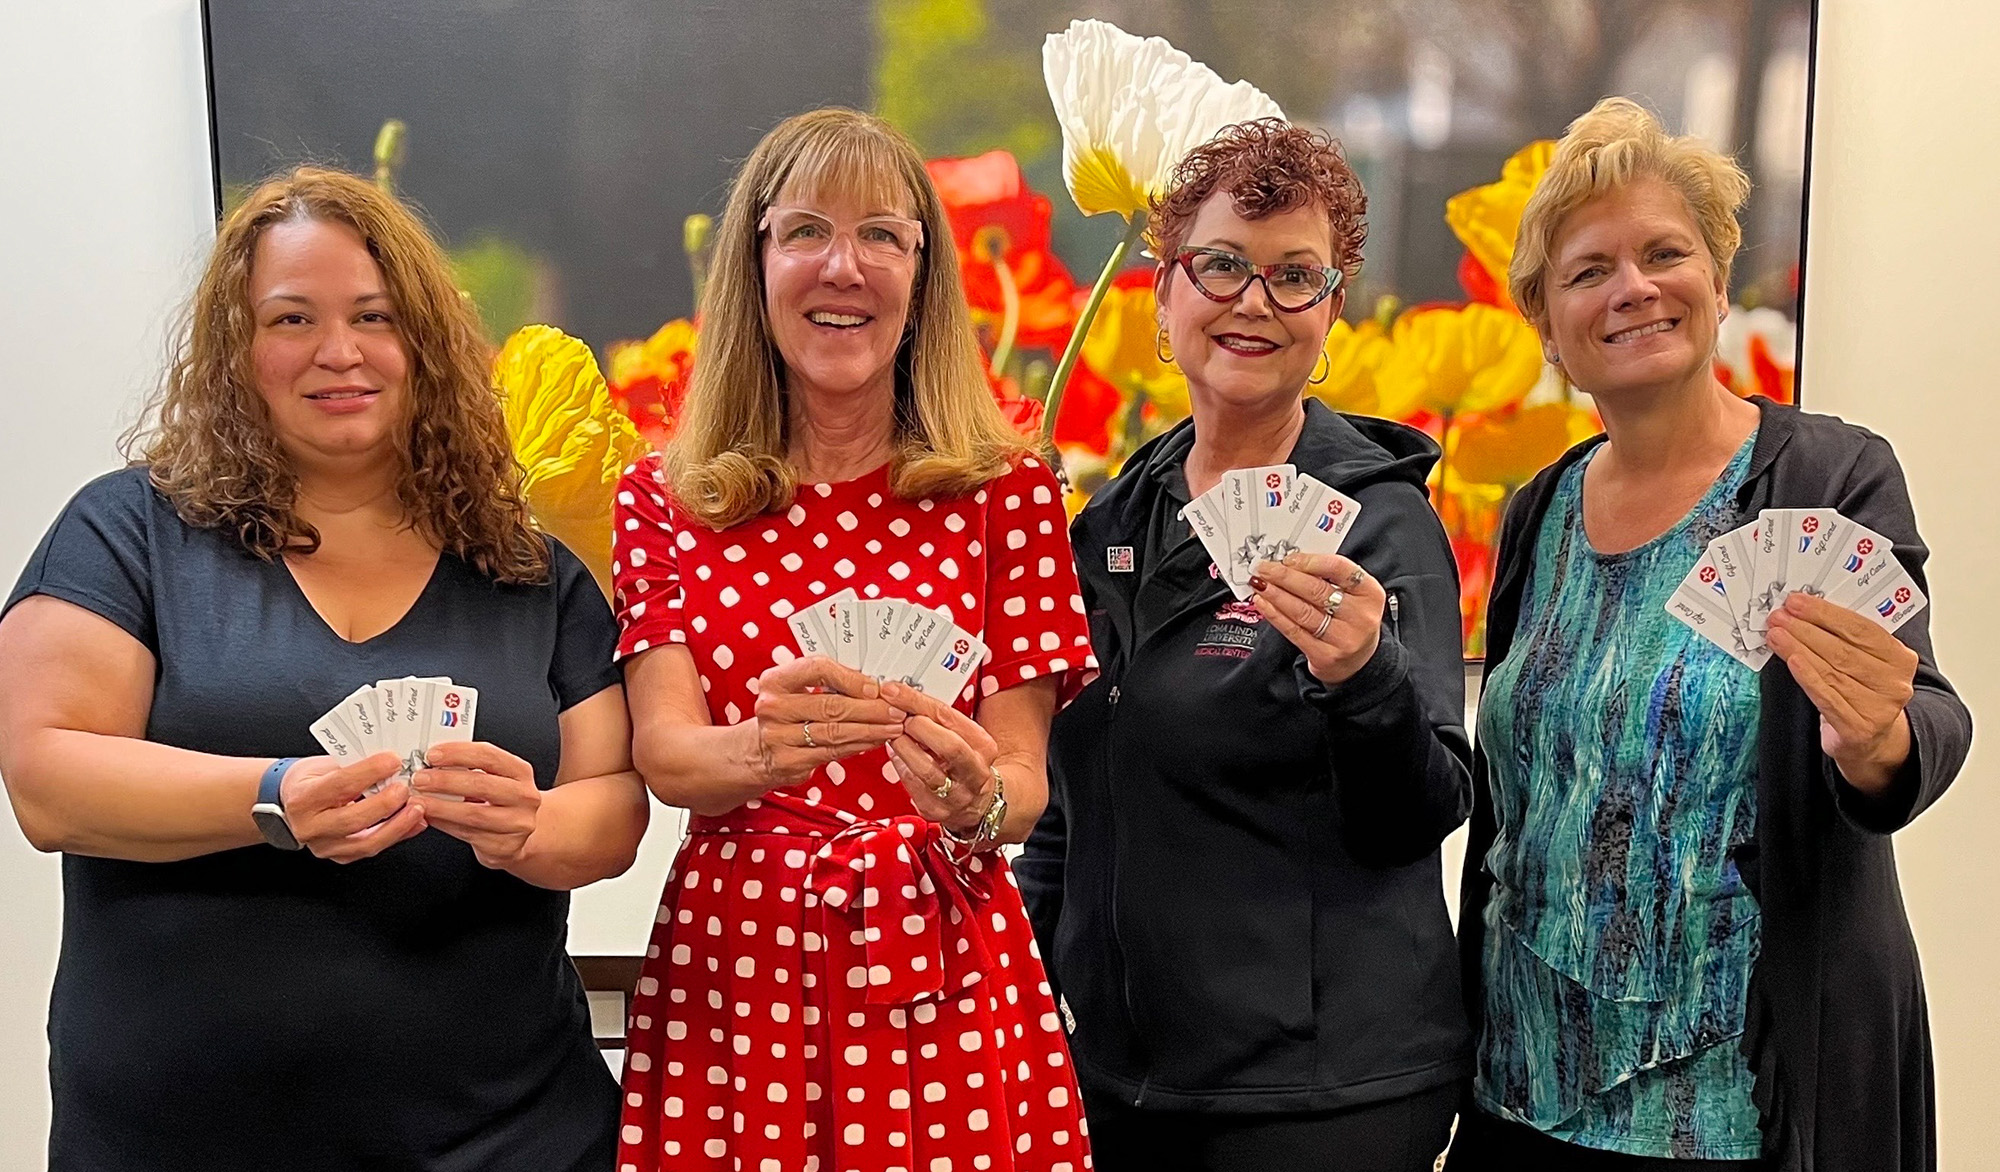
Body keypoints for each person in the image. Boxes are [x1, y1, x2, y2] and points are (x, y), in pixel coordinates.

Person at [0, 167, 650, 1171]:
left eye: (374, 316)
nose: (339, 352)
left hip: (512, 1138)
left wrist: (530, 824)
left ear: (424, 344)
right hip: (179, 1145)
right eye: (292, 318)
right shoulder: (124, 532)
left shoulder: (531, 573)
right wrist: (274, 796)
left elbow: (610, 802)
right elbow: (49, 780)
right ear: (235, 351)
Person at [1447, 99, 1972, 1171]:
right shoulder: (1533, 510)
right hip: (1520, 1091)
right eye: (1588, 270)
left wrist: (1873, 739)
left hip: (1738, 1110)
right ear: (1545, 323)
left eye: (1662, 252)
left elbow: (1925, 716)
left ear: (1716, 280)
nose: (1632, 286)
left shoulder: (1829, 476)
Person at [609, 108, 1096, 1172]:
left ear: (923, 275)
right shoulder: (662, 493)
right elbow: (664, 753)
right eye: (805, 232)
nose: (846, 265)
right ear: (756, 262)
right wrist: (762, 753)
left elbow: (1026, 782)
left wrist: (974, 798)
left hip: (946, 951)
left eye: (883, 234)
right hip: (736, 967)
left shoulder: (1005, 488)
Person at [1020, 119, 1472, 1172]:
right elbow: (1068, 807)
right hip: (1119, 1081)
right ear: (1163, 291)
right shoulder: (1108, 522)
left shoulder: (1377, 522)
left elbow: (1426, 803)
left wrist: (1365, 680)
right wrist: (1037, 1000)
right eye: (1221, 264)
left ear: (1330, 311)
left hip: (1319, 1101)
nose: (1252, 301)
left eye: (1292, 276)